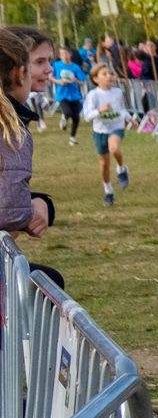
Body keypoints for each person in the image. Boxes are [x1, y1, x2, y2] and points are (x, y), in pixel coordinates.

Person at [0, 29, 51, 302]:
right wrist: (29, 210)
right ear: (20, 72)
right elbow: (8, 207)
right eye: (39, 63)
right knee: (47, 292)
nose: (47, 69)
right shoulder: (9, 129)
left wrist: (40, 202)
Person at [83, 62, 132, 205]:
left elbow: (122, 109)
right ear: (96, 79)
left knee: (114, 148)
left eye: (110, 73)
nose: (109, 76)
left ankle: (121, 169)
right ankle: (108, 190)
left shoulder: (117, 92)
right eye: (104, 74)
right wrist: (100, 110)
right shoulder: (93, 95)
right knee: (104, 164)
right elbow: (87, 117)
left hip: (116, 127)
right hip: (100, 131)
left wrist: (128, 118)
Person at [52, 49, 85, 144]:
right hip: (62, 94)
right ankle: (63, 119)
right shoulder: (56, 65)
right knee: (67, 112)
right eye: (62, 54)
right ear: (59, 55)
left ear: (70, 54)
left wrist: (75, 80)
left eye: (66, 53)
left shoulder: (76, 67)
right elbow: (50, 77)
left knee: (76, 118)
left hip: (74, 95)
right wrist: (59, 82)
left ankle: (72, 138)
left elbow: (82, 82)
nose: (64, 55)